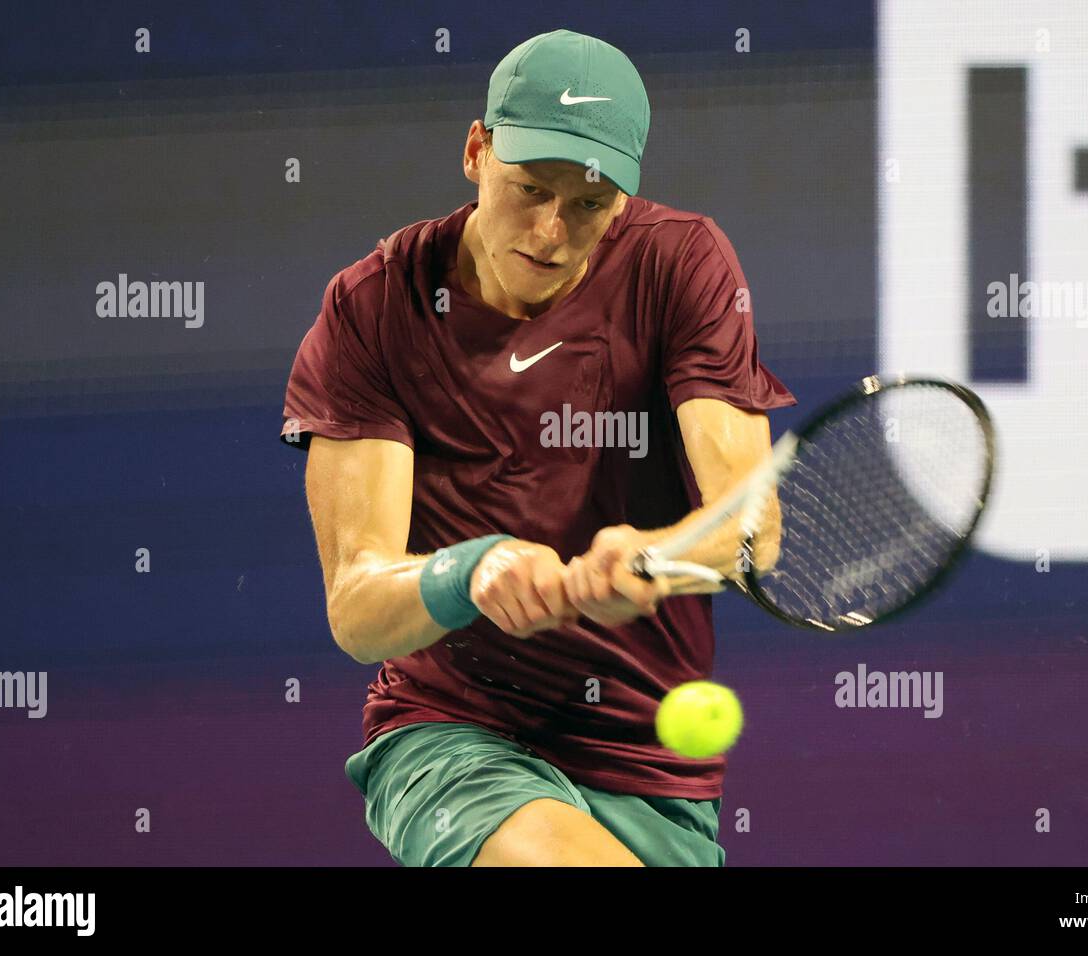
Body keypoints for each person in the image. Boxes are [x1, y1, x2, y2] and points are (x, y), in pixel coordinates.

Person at [280, 28, 794, 866]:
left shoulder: (683, 265)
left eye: (589, 203)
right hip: (453, 736)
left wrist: (655, 562)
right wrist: (469, 571)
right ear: (477, 151)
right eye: (530, 188)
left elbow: (751, 530)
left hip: (647, 761)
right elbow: (357, 605)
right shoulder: (373, 307)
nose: (553, 231)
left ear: (624, 200)